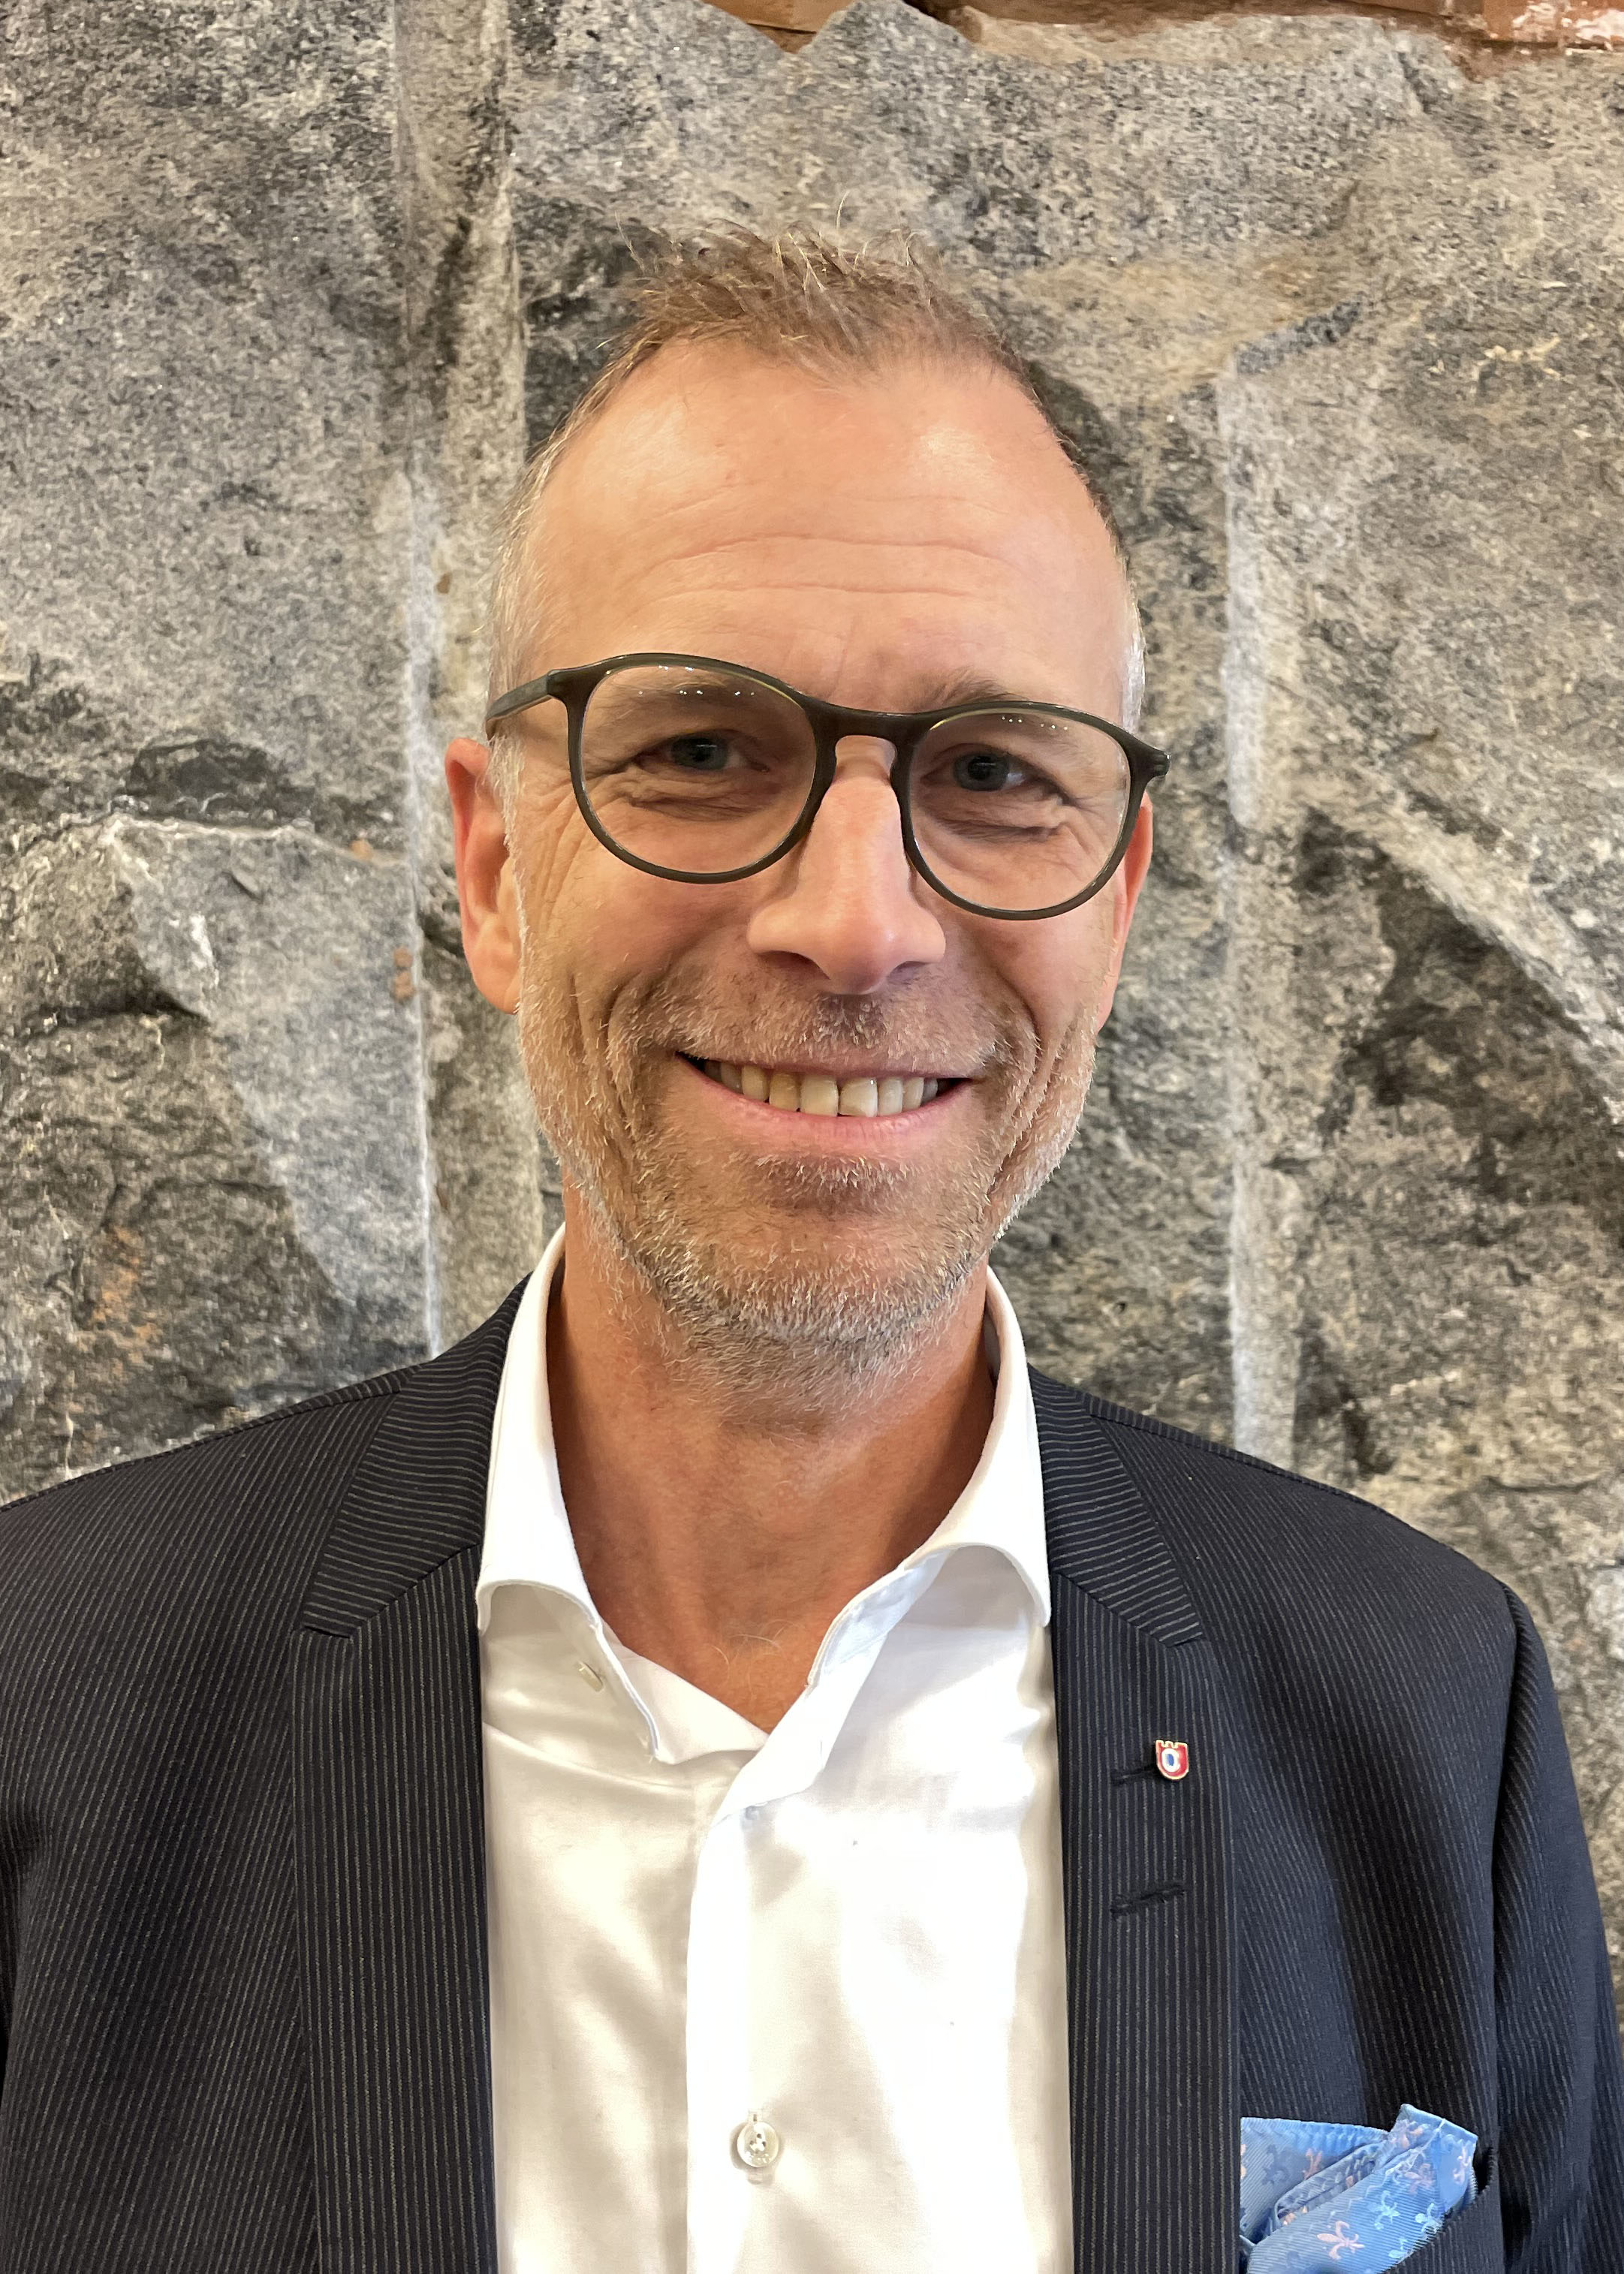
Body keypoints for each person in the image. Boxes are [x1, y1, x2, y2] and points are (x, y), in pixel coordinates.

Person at [0, 230, 1617, 2274]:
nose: (854, 925)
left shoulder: (1414, 1708)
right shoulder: (46, 1699)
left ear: (1114, 899)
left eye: (993, 775)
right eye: (699, 751)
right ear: (496, 871)